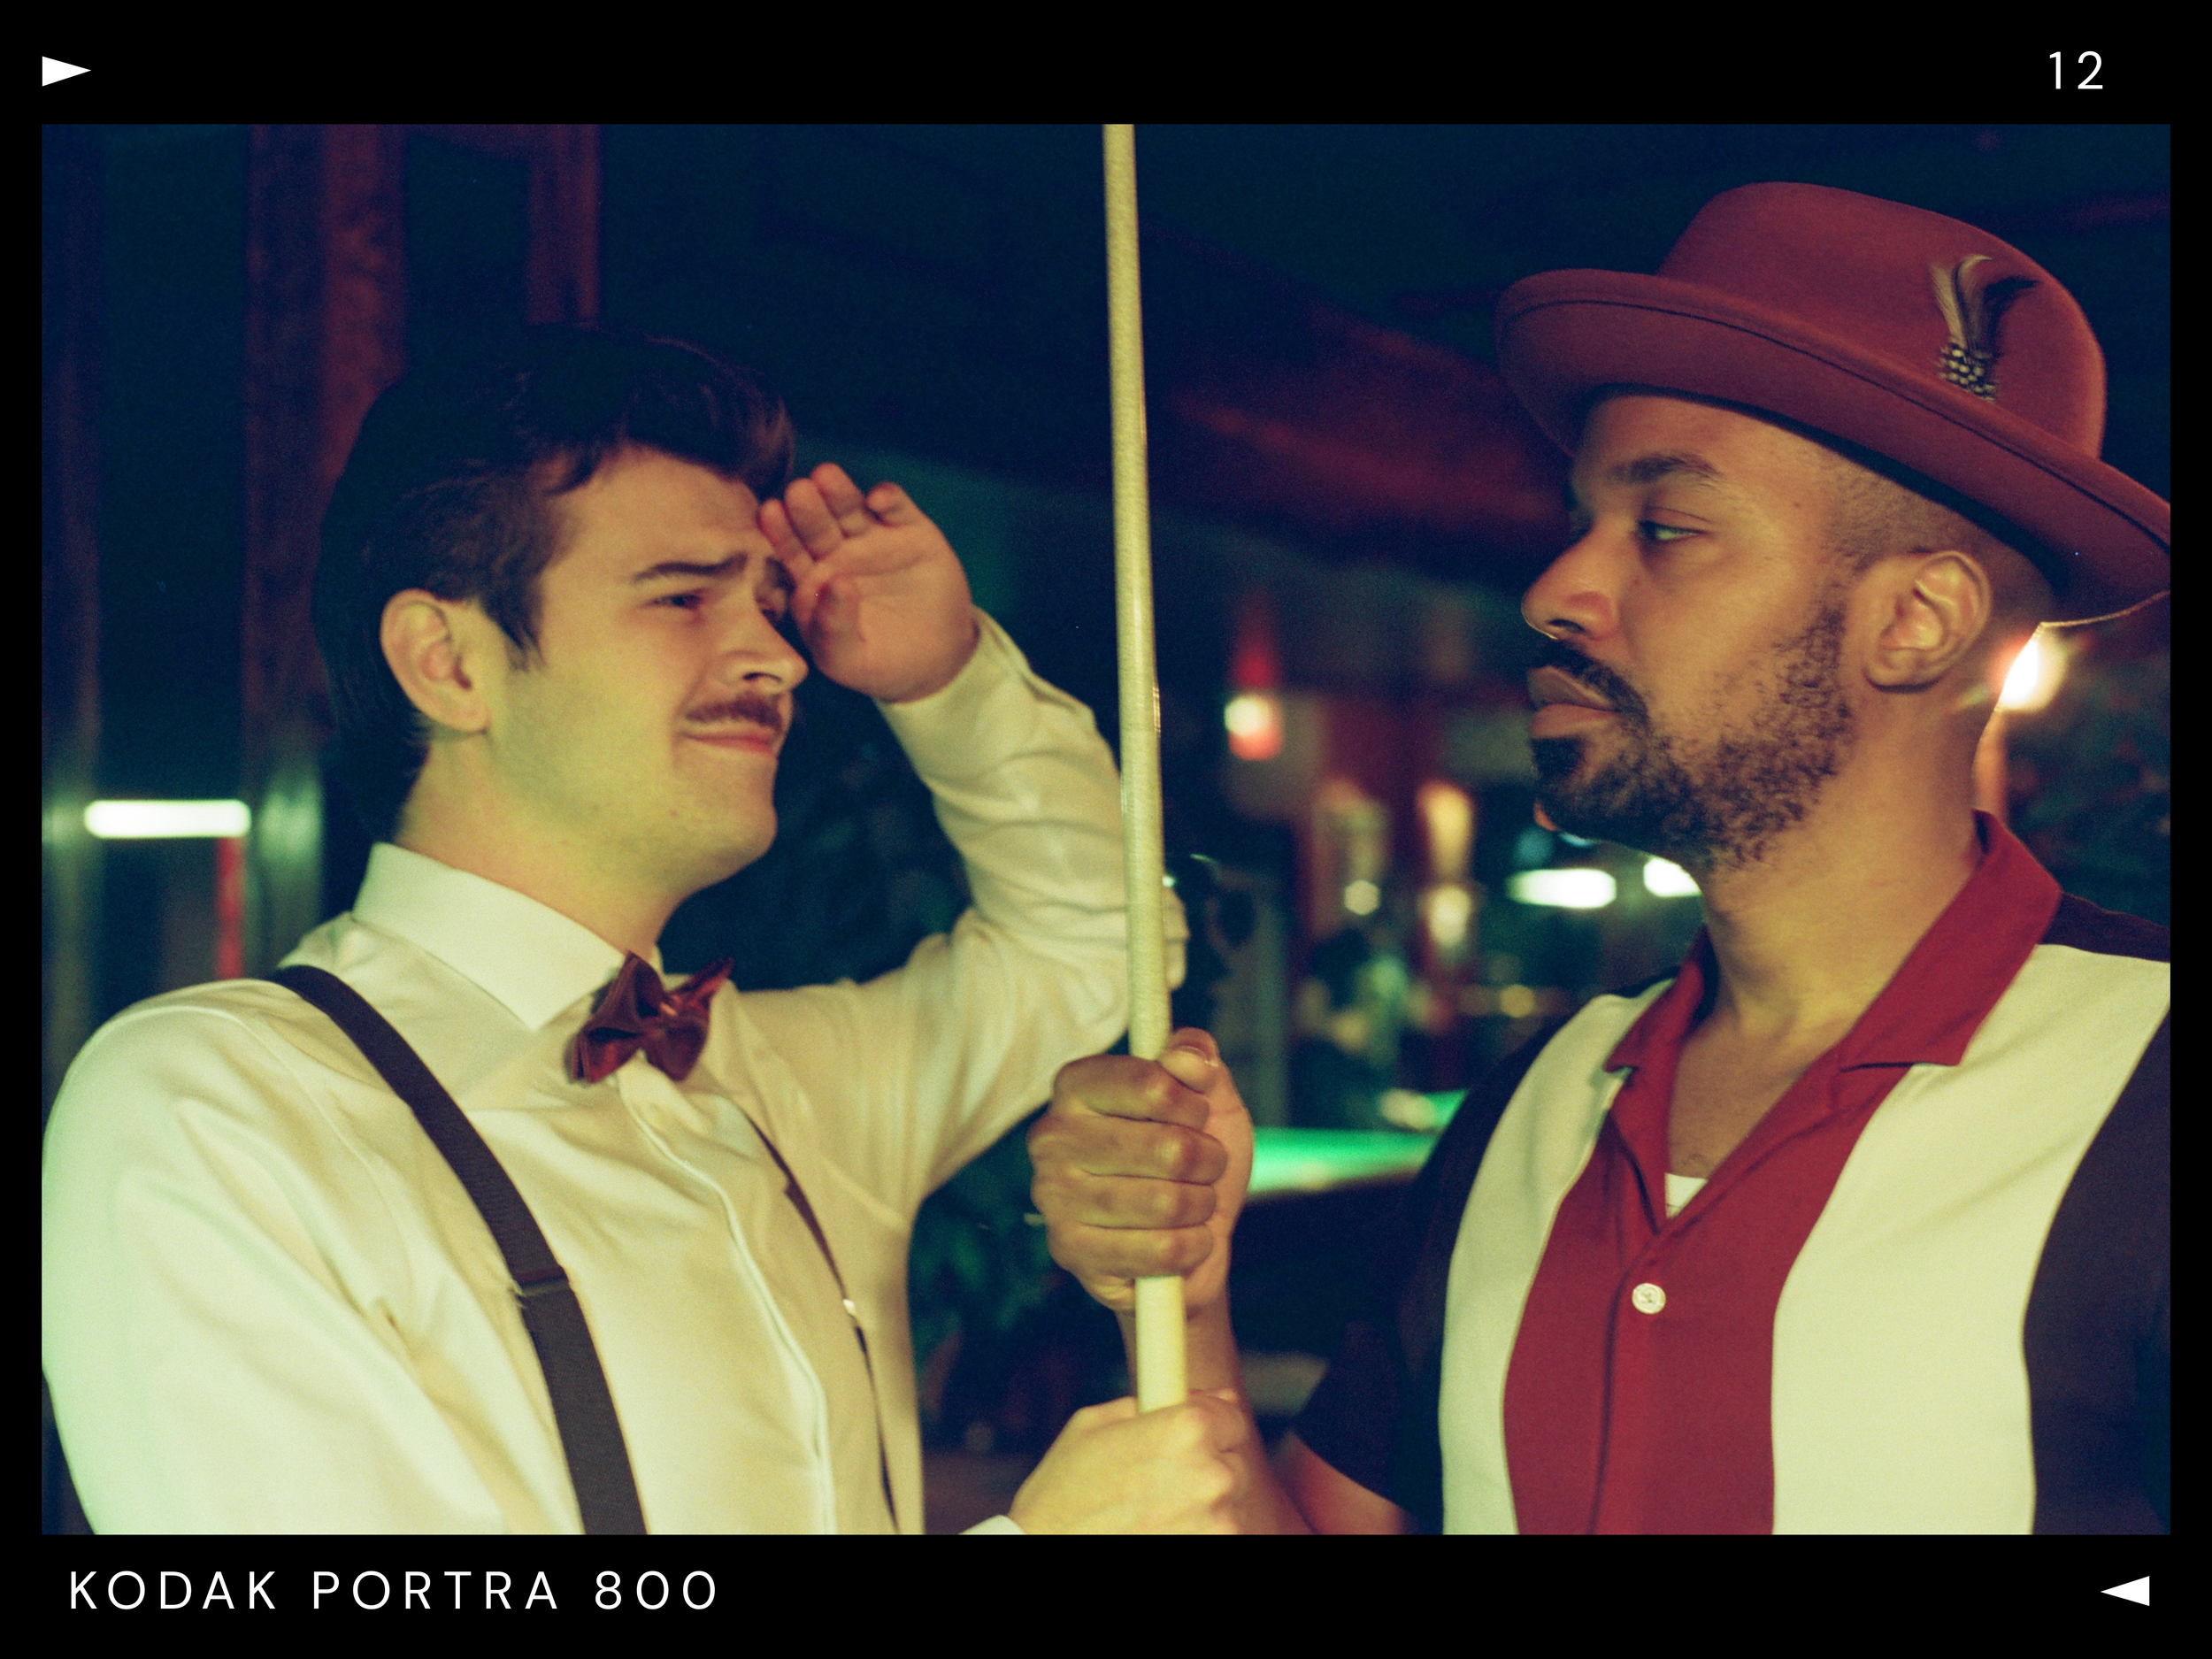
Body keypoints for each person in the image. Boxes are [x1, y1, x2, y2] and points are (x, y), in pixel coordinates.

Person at [1029, 183, 2170, 1534]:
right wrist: (1190, 1287)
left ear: (1917, 620)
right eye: (1583, 519)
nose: (1556, 588)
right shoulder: (1534, 1104)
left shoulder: (2145, 1083)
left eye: (1666, 529)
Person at [42, 328, 1247, 1534]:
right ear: (447, 662)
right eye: (682, 596)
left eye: (769, 603)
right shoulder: (216, 1108)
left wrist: (950, 679)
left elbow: (1096, 944)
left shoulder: (784, 1082)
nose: (778, 655)